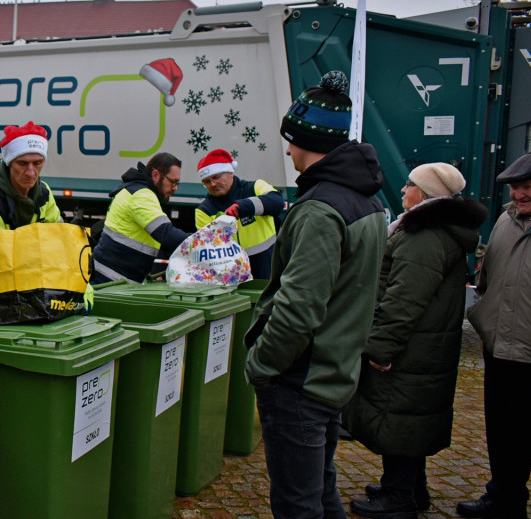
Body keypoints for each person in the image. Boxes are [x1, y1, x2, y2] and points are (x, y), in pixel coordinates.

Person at [243, 70, 387, 519]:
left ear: (306, 138)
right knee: (321, 492)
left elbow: (298, 306)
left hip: (300, 381)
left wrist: (262, 364)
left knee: (297, 503)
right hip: (333, 372)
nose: (287, 150)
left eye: (291, 140)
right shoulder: (366, 201)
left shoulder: (321, 209)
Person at [343, 163, 488, 519]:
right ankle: (411, 488)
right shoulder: (433, 231)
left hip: (410, 348)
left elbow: (404, 298)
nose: (404, 189)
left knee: (400, 418)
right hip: (424, 345)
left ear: (425, 193)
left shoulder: (423, 236)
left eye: (410, 185)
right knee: (409, 418)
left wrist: (381, 346)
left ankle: (399, 498)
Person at [458, 151, 531, 519]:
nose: (518, 196)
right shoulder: (506, 223)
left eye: (527, 188)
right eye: (514, 189)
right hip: (502, 352)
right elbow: (487, 279)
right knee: (504, 433)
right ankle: (504, 497)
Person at [90, 152, 191, 283]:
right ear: (155, 175)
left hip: (111, 276)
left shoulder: (136, 190)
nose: (175, 188)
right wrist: (202, 243)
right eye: (173, 182)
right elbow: (165, 233)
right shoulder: (141, 195)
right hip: (111, 280)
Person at [194, 149, 284, 278]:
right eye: (207, 182)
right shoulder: (204, 210)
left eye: (216, 177)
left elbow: (277, 201)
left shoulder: (254, 188)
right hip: (232, 272)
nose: (213, 184)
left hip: (268, 265)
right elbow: (209, 248)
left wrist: (243, 206)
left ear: (230, 172)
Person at [0, 121, 62, 230]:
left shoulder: (44, 192)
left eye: (37, 163)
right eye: (22, 163)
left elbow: (56, 235)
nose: (31, 173)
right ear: (9, 164)